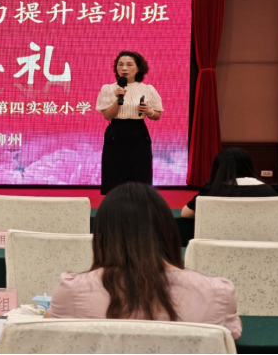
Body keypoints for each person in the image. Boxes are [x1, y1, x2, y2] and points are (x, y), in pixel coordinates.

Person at [46, 182, 243, 340]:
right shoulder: (219, 293)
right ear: (168, 231)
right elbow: (231, 334)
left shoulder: (72, 291)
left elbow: (44, 334)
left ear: (102, 236)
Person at [96, 51, 163, 195]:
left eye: (129, 64)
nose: (124, 68)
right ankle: (115, 202)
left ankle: (139, 202)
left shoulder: (147, 89)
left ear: (138, 68)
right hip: (116, 132)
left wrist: (148, 111)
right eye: (120, 64)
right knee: (115, 172)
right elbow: (107, 115)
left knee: (140, 172)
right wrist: (118, 99)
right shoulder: (109, 89)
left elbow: (157, 115)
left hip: (138, 132)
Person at [181, 147, 278, 223]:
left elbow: (185, 213)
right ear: (249, 166)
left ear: (218, 169)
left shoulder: (212, 191)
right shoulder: (269, 191)